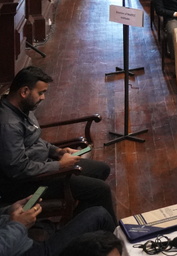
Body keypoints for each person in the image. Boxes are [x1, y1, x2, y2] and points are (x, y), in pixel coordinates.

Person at [0, 67, 115, 224]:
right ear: (24, 91)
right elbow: (18, 169)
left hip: (43, 166)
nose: (43, 97)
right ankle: (108, 232)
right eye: (40, 93)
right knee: (101, 190)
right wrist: (59, 166)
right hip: (30, 184)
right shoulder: (8, 125)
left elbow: (34, 140)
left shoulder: (22, 107)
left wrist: (58, 151)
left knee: (102, 169)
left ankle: (80, 223)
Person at [0, 199, 112, 256]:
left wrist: (10, 210)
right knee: (99, 215)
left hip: (18, 235)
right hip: (26, 250)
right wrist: (18, 225)